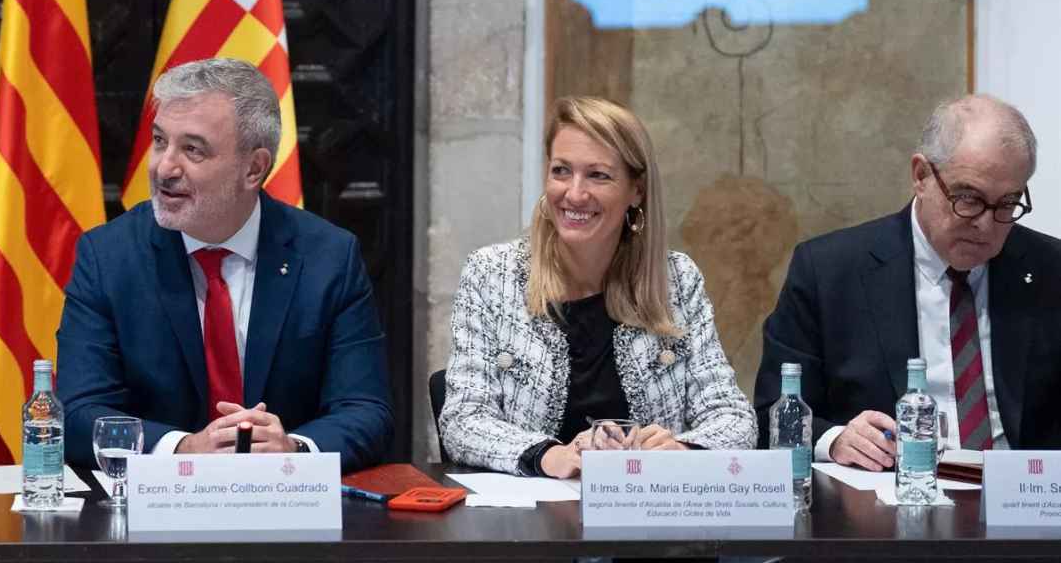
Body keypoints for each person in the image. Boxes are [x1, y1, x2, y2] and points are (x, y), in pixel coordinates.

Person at [56, 57, 392, 470]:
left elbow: (366, 411)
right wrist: (183, 449)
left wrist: (294, 450)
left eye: (192, 149)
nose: (164, 167)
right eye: (160, 141)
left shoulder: (328, 257)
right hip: (151, 518)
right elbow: (78, 414)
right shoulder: (108, 257)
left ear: (253, 169)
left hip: (287, 511)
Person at [439, 97, 755, 478]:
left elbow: (734, 418)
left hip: (647, 519)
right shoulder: (491, 274)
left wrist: (682, 448)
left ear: (636, 191)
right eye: (561, 171)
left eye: (598, 175)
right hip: (530, 523)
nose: (574, 194)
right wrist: (547, 456)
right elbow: (462, 419)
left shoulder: (676, 280)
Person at [755, 95, 1061, 466]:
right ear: (921, 176)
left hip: (1024, 502)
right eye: (968, 199)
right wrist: (835, 440)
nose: (985, 223)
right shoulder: (829, 271)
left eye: (1006, 204)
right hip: (885, 500)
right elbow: (770, 412)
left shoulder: (1050, 269)